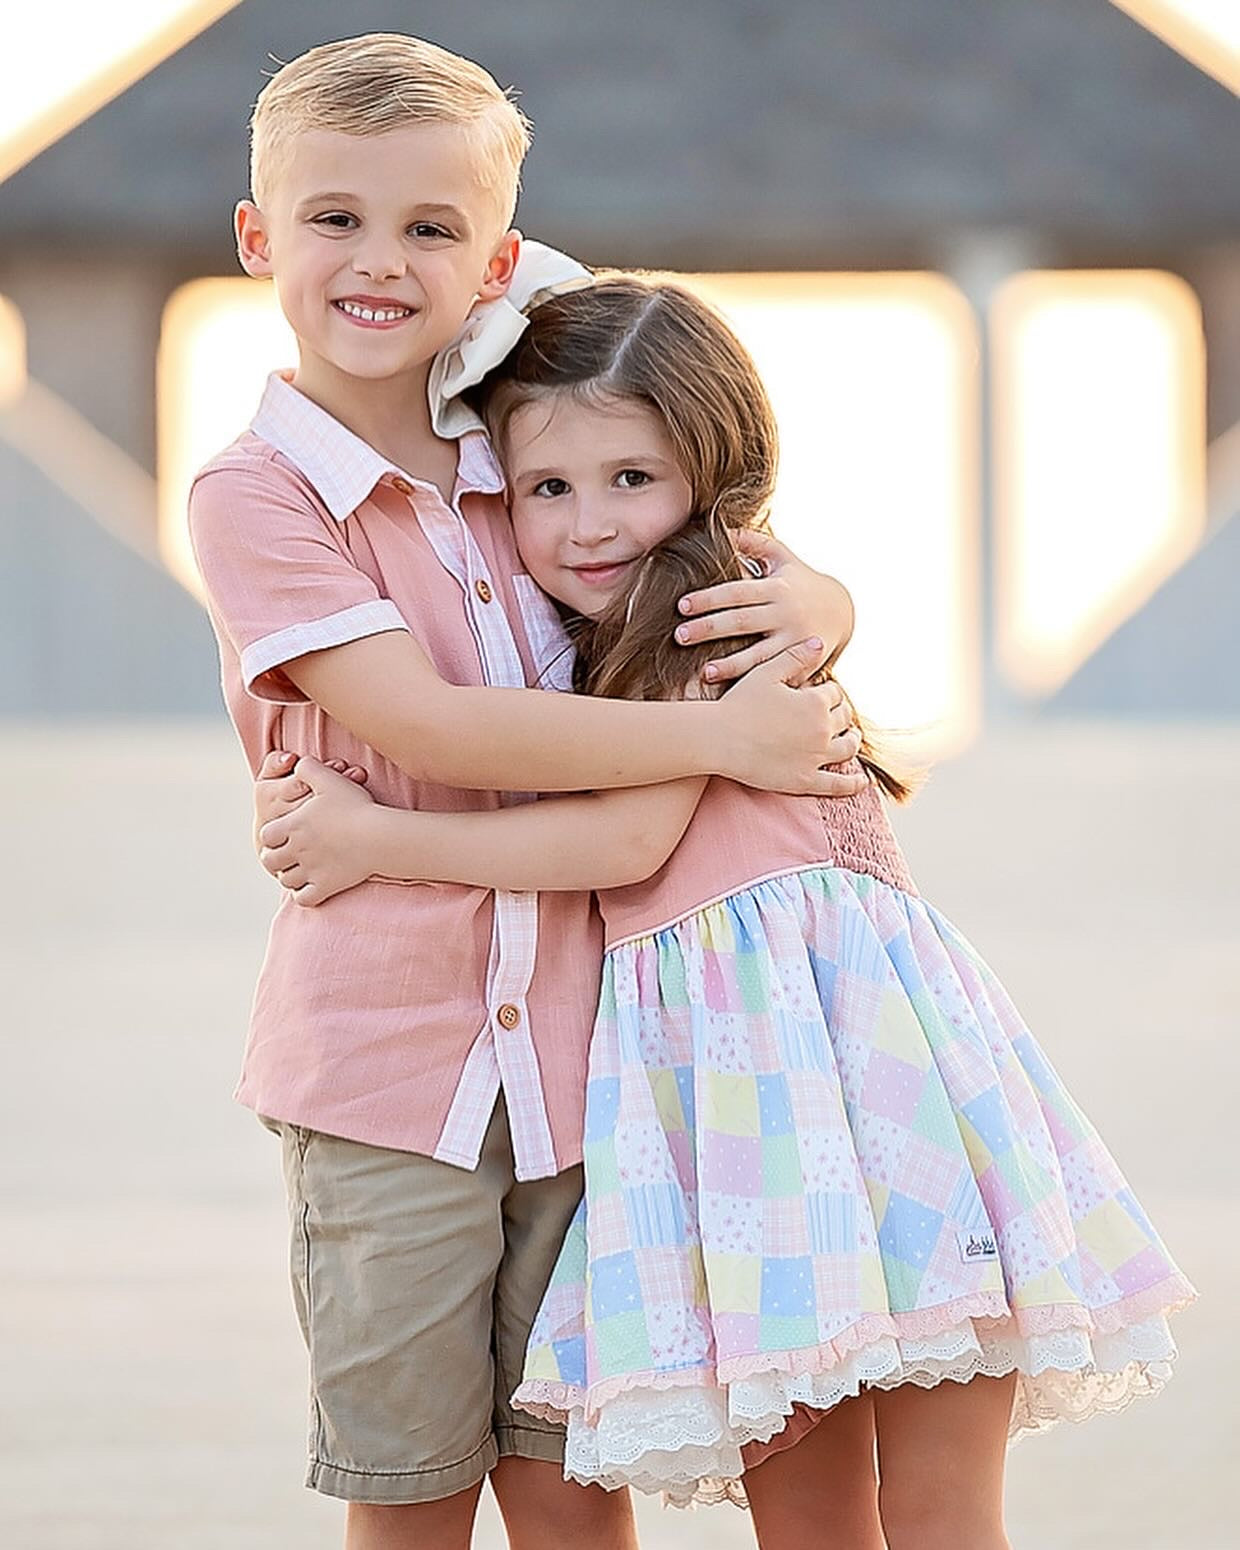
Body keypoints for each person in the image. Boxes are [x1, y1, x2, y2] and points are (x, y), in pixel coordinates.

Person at [256, 276, 1197, 1550]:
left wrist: (376, 838)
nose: (590, 523)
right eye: (547, 487)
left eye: (631, 478)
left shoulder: (706, 615)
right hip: (804, 1115)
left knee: (898, 1513)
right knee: (888, 1515)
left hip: (810, 1103)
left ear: (713, 472)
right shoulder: (625, 631)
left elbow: (626, 839)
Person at [188, 33, 863, 1550]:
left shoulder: (530, 446)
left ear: (492, 262)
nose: (381, 261)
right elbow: (432, 725)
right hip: (385, 1074)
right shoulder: (258, 493)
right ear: (258, 238)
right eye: (334, 218)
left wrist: (826, 601)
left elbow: (726, 542)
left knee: (572, 1484)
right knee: (414, 1485)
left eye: (430, 228)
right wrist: (721, 742)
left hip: (585, 1063)